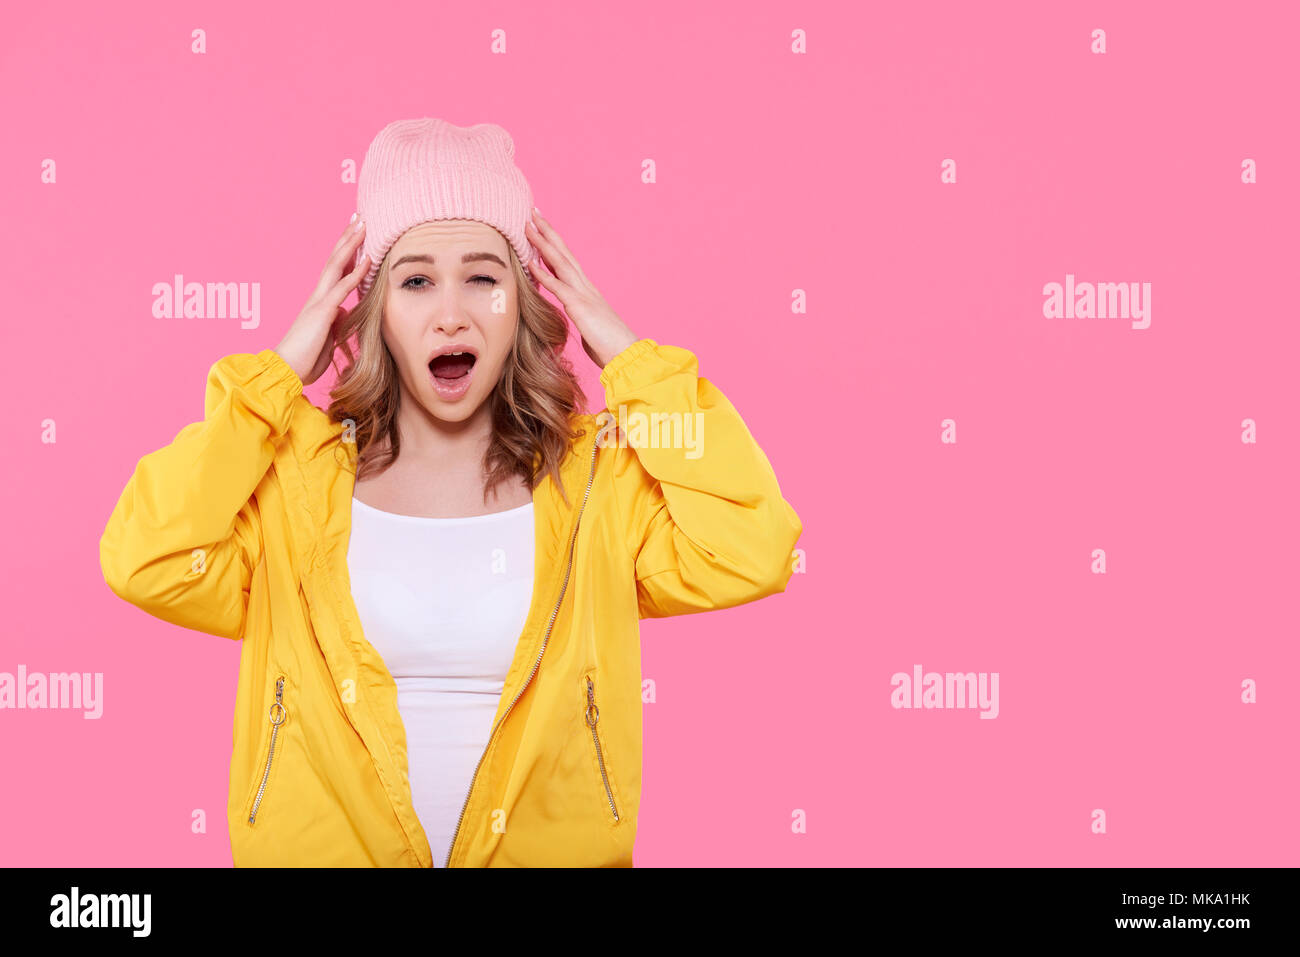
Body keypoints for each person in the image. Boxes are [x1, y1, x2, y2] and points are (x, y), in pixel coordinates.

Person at [99, 117, 803, 867]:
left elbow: (753, 550)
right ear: (376, 314)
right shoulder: (291, 485)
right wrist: (276, 374)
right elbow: (146, 557)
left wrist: (632, 360)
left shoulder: (598, 483)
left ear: (523, 304)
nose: (451, 313)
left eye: (483, 277)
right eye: (415, 281)